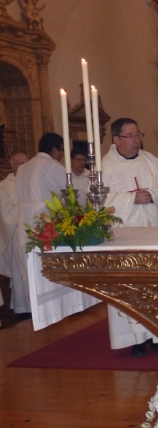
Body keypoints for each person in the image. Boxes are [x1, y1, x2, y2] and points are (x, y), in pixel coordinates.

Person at [102, 118, 158, 355]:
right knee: (128, 284)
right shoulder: (105, 166)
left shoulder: (150, 160)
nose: (136, 140)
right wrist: (130, 199)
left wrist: (153, 193)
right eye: (130, 136)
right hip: (124, 238)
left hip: (153, 232)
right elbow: (97, 202)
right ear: (116, 139)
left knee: (156, 283)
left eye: (138, 134)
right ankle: (135, 339)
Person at [16, 133, 98, 327]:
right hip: (44, 221)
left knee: (30, 267)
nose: (61, 155)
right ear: (54, 149)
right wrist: (85, 208)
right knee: (49, 266)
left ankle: (34, 307)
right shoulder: (52, 166)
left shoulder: (23, 168)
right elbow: (69, 194)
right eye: (61, 151)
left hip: (24, 222)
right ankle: (52, 310)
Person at [0, 152, 28, 315]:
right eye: (21, 164)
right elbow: (5, 212)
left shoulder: (30, 182)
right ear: (13, 165)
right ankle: (23, 307)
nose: (25, 168)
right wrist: (26, 208)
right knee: (20, 271)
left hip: (32, 231)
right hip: (16, 233)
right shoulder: (4, 185)